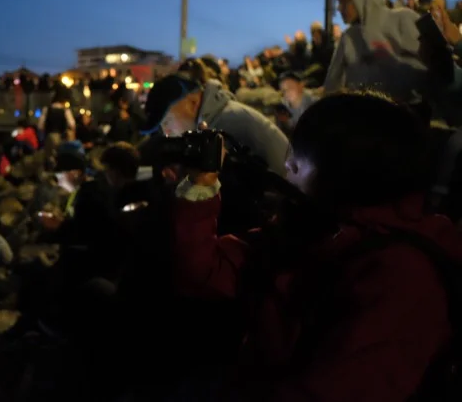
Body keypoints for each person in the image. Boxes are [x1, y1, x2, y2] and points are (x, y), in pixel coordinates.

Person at [173, 91, 462, 401]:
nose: (288, 163)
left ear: (349, 171)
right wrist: (200, 184)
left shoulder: (402, 275)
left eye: (304, 153)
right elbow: (205, 270)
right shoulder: (313, 225)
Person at [141, 63, 289, 176]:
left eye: (167, 121)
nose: (166, 132)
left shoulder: (223, 127)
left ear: (192, 103)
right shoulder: (220, 116)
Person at [324, 0, 427, 101]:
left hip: (404, 111)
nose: (339, 7)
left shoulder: (403, 20)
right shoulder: (348, 37)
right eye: (338, 1)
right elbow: (331, 85)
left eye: (345, 0)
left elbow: (430, 70)